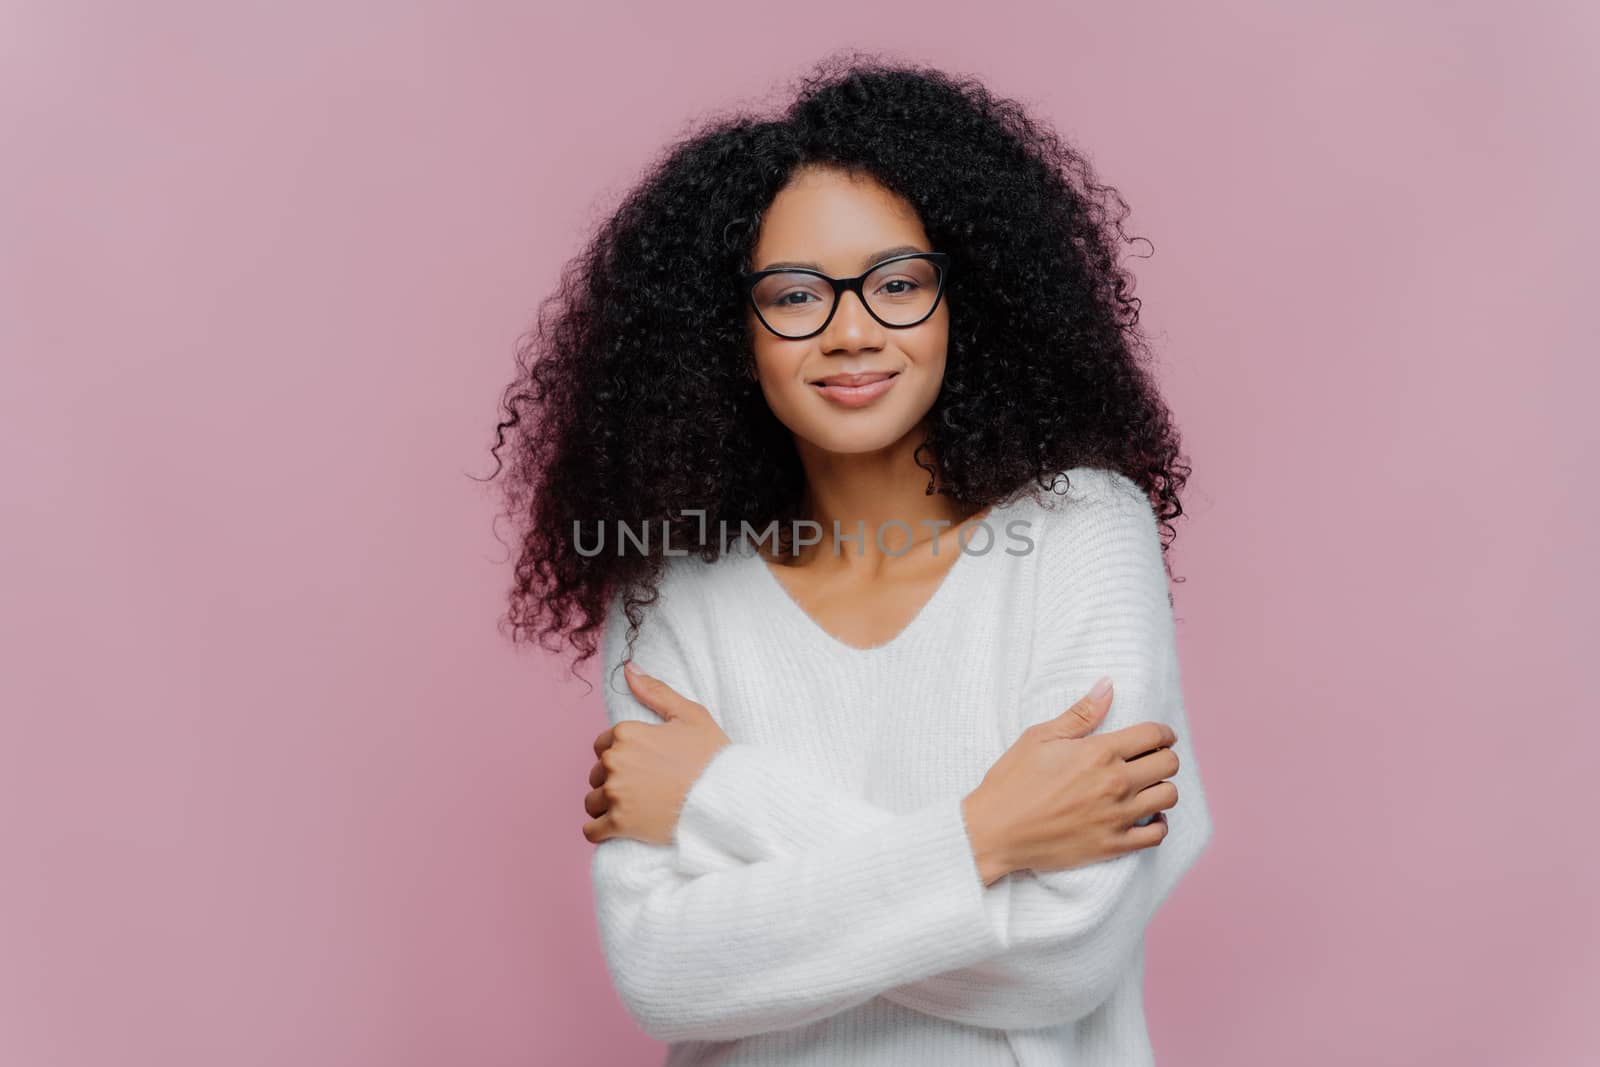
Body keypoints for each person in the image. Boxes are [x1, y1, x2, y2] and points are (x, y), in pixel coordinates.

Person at [486, 52, 1214, 1067]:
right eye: (793, 296)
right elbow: (665, 973)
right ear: (728, 333)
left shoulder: (1080, 531)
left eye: (898, 283)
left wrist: (722, 796)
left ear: (971, 298)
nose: (852, 331)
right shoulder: (674, 591)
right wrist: (991, 836)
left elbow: (1066, 954)